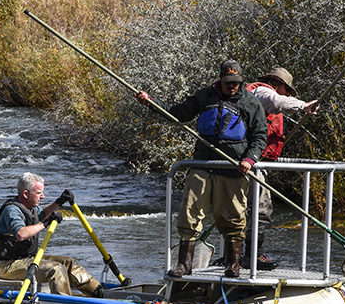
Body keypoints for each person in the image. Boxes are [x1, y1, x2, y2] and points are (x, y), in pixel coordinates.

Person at [135, 60, 267, 278]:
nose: (232, 86)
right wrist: (150, 102)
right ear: (220, 80)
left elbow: (260, 136)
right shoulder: (205, 96)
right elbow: (178, 113)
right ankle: (184, 264)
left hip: (233, 170)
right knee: (189, 212)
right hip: (202, 165)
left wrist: (250, 159)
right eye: (228, 83)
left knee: (233, 217)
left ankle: (232, 265)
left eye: (236, 83)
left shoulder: (251, 103)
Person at [0, 172, 106, 297]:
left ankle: (98, 292)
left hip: (25, 259)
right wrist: (45, 224)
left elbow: (43, 213)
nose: (43, 197)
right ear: (25, 194)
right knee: (55, 269)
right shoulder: (11, 211)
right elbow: (21, 234)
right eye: (39, 193)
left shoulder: (30, 207)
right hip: (7, 266)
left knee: (68, 262)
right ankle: (65, 303)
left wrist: (59, 202)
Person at [244, 67, 318, 260]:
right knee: (259, 210)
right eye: (287, 90)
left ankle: (239, 256)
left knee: (245, 210)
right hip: (250, 164)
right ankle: (252, 256)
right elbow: (277, 101)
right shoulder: (262, 92)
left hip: (252, 163)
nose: (287, 94)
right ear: (277, 85)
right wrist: (303, 106)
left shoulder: (254, 94)